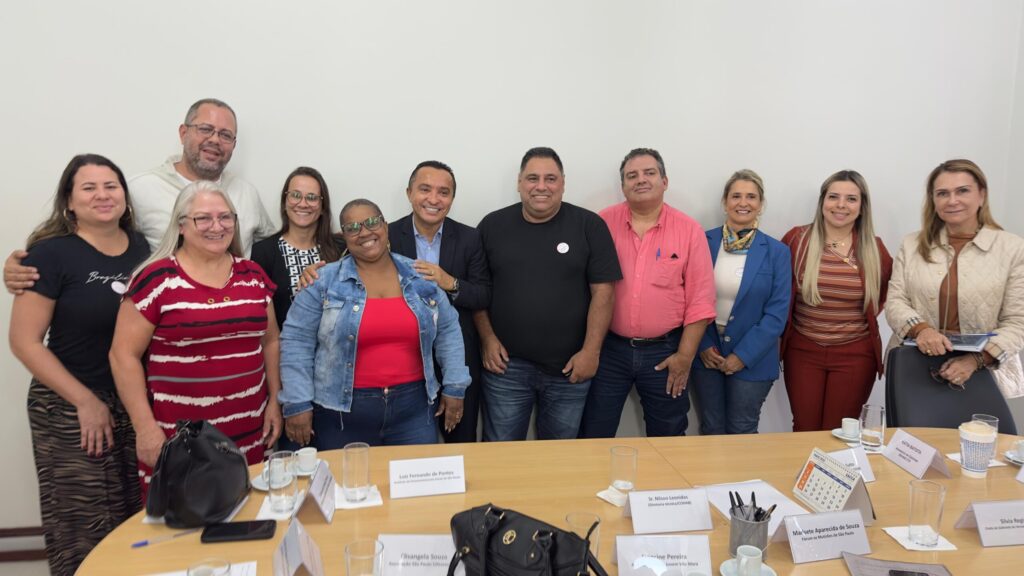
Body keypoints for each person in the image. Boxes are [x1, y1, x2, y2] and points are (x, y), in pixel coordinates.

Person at [9, 154, 148, 576]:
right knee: (84, 527)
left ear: (124, 195)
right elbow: (24, 342)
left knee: (136, 521)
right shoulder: (49, 254)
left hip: (132, 402)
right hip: (70, 406)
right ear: (69, 201)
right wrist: (86, 402)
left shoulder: (143, 248)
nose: (102, 195)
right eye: (89, 188)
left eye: (111, 186)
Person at [109, 181, 282, 493]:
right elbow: (123, 355)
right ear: (181, 226)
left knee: (251, 513)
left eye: (225, 217)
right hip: (180, 439)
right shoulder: (155, 279)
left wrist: (274, 401)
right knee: (184, 519)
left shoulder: (253, 275)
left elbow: (270, 341)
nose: (217, 226)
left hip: (250, 433)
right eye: (203, 218)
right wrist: (144, 428)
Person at [3, 98, 275, 293]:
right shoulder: (140, 189)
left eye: (226, 135)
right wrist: (31, 263)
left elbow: (275, 248)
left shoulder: (246, 193)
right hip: (161, 326)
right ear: (183, 133)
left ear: (233, 145)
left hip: (235, 318)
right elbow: (88, 236)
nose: (215, 140)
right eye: (205, 129)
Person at [278, 199, 470, 448]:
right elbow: (296, 341)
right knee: (347, 475)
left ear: (385, 226)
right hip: (340, 415)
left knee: (415, 475)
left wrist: (455, 385)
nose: (364, 232)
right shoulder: (322, 281)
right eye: (353, 227)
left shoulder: (420, 275)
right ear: (344, 236)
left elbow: (448, 330)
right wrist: (297, 402)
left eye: (371, 222)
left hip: (413, 412)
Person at [475, 147, 621, 441]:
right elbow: (478, 290)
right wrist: (487, 339)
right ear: (519, 183)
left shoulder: (589, 226)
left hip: (570, 368)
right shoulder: (492, 226)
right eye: (533, 178)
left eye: (550, 179)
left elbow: (604, 293)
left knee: (560, 457)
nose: (541, 186)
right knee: (500, 454)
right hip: (506, 368)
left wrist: (591, 352)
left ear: (563, 183)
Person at [578, 148, 715, 438]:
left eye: (649, 173)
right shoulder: (601, 224)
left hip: (666, 352)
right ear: (623, 186)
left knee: (668, 437)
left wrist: (685, 356)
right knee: (594, 432)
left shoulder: (689, 230)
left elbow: (701, 301)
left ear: (664, 181)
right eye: (632, 175)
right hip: (609, 350)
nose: (640, 180)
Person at [885, 159, 1024, 398]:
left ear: (981, 195)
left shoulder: (1013, 248)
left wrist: (975, 360)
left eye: (962, 191)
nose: (952, 200)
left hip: (983, 371)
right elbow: (895, 301)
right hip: (914, 366)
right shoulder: (911, 244)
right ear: (933, 200)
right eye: (942, 193)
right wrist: (922, 331)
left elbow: (1018, 321)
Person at [781, 170, 892, 432]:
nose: (841, 205)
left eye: (851, 199)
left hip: (855, 354)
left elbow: (884, 295)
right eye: (833, 197)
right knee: (804, 427)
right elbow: (779, 291)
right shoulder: (797, 240)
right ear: (822, 201)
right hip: (803, 350)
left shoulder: (874, 249)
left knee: (840, 430)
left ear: (862, 206)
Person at [389, 161, 490, 442]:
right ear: (409, 193)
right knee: (407, 445)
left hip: (459, 358)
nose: (433, 199)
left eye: (443, 192)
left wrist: (450, 282)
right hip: (404, 359)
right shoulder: (387, 235)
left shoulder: (470, 238)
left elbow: (484, 294)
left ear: (452, 199)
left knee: (461, 441)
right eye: (425, 189)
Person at [688, 170, 791, 435]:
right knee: (711, 428)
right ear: (725, 202)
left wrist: (742, 356)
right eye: (736, 196)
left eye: (751, 197)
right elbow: (688, 296)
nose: (743, 203)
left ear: (761, 204)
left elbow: (777, 314)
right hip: (707, 355)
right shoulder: (702, 241)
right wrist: (702, 345)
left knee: (742, 430)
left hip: (754, 358)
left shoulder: (777, 252)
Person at [251, 167, 344, 330]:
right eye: (295, 195)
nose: (303, 204)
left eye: (312, 197)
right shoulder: (262, 252)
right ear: (285, 202)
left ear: (322, 206)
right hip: (287, 344)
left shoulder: (341, 248)